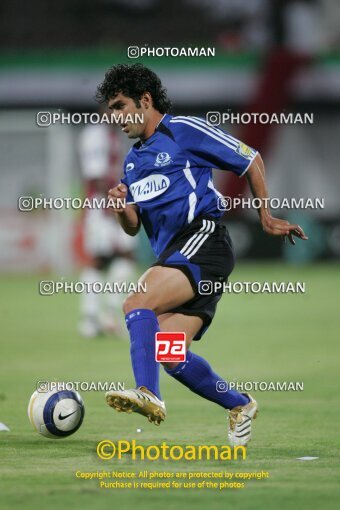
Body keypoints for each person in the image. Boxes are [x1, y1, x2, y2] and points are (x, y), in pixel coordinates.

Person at [96, 63, 308, 446]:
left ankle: (148, 393)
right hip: (177, 256)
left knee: (135, 301)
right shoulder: (132, 162)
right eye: (111, 109)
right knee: (170, 352)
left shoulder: (183, 130)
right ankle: (239, 404)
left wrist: (265, 215)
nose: (116, 117)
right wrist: (123, 209)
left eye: (120, 105)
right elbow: (133, 227)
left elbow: (250, 158)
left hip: (203, 241)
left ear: (145, 100)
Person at [78, 121, 137, 338]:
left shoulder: (115, 134)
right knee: (100, 260)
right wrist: (112, 208)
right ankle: (92, 318)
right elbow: (97, 176)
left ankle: (105, 316)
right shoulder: (96, 135)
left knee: (122, 257)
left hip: (110, 206)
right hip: (102, 208)